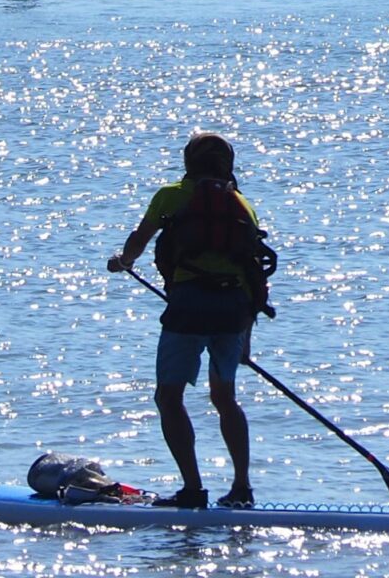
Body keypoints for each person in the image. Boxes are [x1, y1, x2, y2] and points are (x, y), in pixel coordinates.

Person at [106, 132, 275, 509]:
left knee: (169, 396)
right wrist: (245, 339)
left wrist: (123, 262)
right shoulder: (241, 203)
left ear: (189, 162)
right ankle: (242, 489)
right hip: (233, 309)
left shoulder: (171, 196)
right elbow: (252, 273)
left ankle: (193, 489)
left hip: (189, 308)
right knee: (225, 398)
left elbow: (139, 240)